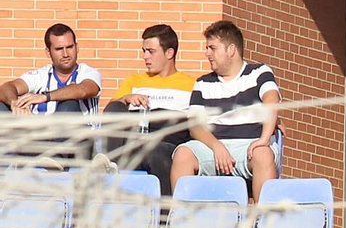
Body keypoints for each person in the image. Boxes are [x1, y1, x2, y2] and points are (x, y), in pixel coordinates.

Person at [172, 20, 280, 199]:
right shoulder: (203, 83)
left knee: (263, 154)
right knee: (183, 154)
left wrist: (264, 138)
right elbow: (195, 126)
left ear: (231, 50)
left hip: (249, 146)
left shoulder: (259, 72)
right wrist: (217, 146)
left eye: (212, 48)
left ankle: (261, 223)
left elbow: (272, 99)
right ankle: (182, 221)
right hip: (213, 147)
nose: (207, 53)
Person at [101, 24, 194, 192]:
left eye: (151, 51)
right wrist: (126, 98)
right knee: (115, 106)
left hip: (166, 142)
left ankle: (164, 215)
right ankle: (110, 166)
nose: (145, 57)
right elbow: (111, 111)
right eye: (144, 51)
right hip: (132, 139)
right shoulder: (134, 81)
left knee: (155, 150)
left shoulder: (191, 85)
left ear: (169, 53)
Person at [0, 24, 102, 117]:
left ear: (77, 47)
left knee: (68, 106)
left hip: (79, 135)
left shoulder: (89, 72)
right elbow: (6, 87)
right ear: (48, 52)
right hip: (39, 134)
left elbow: (84, 90)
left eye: (70, 47)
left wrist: (45, 97)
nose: (66, 54)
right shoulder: (41, 75)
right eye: (59, 49)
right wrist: (14, 103)